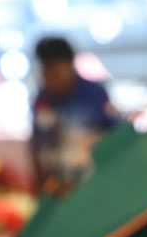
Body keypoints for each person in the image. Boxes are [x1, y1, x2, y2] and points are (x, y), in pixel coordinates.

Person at [31, 35, 117, 196]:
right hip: (59, 188)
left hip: (96, 182)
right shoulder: (42, 101)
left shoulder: (95, 93)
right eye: (45, 70)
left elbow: (115, 136)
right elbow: (37, 148)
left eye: (55, 69)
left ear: (70, 64)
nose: (50, 76)